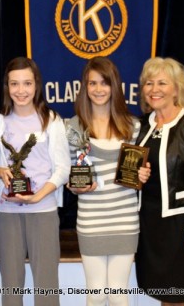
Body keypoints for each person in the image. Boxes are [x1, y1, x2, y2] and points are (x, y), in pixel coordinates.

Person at [65, 56, 150, 306]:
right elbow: (70, 175)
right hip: (91, 222)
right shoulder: (74, 127)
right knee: (96, 293)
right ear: (85, 87)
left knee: (117, 293)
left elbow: (139, 174)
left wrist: (142, 177)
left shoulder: (133, 127)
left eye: (105, 83)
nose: (99, 89)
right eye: (93, 84)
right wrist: (74, 186)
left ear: (115, 86)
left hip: (124, 221)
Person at [134, 57, 184, 305]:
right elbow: (136, 169)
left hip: (181, 224)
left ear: (176, 88)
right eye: (149, 83)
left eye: (162, 83)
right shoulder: (142, 125)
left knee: (178, 295)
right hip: (149, 223)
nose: (154, 89)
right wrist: (137, 176)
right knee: (161, 292)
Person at [0, 57, 71, 306]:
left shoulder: (52, 120)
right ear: (7, 86)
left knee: (46, 286)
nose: (21, 90)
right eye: (15, 84)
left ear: (37, 85)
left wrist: (37, 196)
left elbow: (63, 169)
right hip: (7, 212)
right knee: (11, 287)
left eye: (27, 83)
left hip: (43, 211)